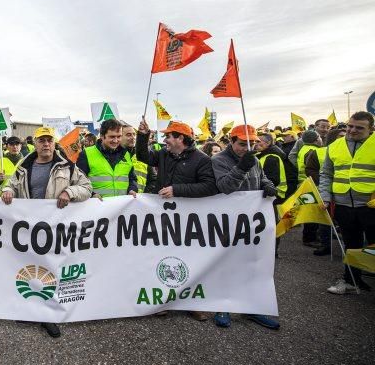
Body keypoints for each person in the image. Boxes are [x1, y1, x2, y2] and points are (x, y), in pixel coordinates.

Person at [1, 126, 92, 338]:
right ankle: (31, 310)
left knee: (51, 269)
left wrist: (70, 191)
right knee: (29, 268)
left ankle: (48, 315)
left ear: (54, 143)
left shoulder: (66, 166)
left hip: (55, 227)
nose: (46, 144)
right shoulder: (24, 166)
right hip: (29, 228)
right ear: (34, 144)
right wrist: (6, 190)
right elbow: (11, 184)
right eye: (42, 141)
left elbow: (86, 187)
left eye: (49, 140)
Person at [135, 119, 217, 321]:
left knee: (190, 260)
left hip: (189, 221)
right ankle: (163, 301)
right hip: (164, 218)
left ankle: (193, 303)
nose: (165, 140)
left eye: (168, 136)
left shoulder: (202, 160)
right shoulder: (163, 154)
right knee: (162, 258)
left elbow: (209, 186)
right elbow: (142, 155)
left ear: (180, 138)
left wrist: (177, 190)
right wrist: (143, 136)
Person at [211, 125, 280, 330]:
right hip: (228, 221)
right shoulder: (218, 161)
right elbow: (226, 187)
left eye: (250, 144)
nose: (245, 148)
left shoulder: (255, 160)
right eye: (241, 144)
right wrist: (242, 167)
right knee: (227, 264)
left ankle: (252, 307)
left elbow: (261, 177)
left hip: (251, 222)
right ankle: (222, 305)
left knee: (252, 264)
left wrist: (267, 185)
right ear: (232, 141)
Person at [321, 111, 375, 295]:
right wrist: (325, 197)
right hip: (344, 205)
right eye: (350, 126)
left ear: (371, 129)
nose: (352, 130)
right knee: (351, 245)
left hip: (370, 206)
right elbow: (326, 174)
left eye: (359, 128)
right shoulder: (335, 145)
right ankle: (351, 281)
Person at [76, 119, 137, 198]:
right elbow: (78, 181)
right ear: (102, 136)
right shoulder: (86, 154)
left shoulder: (126, 155)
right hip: (97, 208)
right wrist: (92, 195)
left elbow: (132, 179)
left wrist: (132, 189)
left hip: (122, 208)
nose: (116, 140)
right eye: (112, 137)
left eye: (119, 136)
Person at [309, 126, 346, 256]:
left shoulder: (353, 151)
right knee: (325, 221)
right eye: (341, 136)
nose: (345, 137)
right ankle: (325, 245)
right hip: (325, 191)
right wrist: (325, 186)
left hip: (344, 194)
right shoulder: (318, 152)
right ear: (332, 139)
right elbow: (311, 170)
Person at [292, 130, 325, 247]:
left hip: (304, 183)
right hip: (310, 184)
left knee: (310, 211)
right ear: (316, 140)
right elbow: (310, 168)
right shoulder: (313, 150)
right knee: (312, 212)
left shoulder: (304, 148)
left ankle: (310, 237)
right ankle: (309, 238)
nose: (321, 139)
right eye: (319, 137)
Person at [256, 132, 297, 203]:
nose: (255, 144)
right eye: (254, 141)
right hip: (276, 196)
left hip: (275, 197)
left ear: (268, 143)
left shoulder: (271, 157)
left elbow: (272, 180)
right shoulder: (265, 154)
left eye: (258, 141)